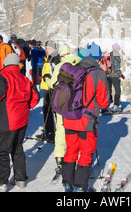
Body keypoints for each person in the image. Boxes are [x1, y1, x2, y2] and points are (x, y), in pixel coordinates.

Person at [0, 53, 40, 192]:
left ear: (6, 64)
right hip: (22, 119)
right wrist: (26, 106)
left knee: (2, 150)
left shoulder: (4, 76)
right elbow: (35, 96)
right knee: (17, 148)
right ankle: (21, 179)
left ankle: (1, 183)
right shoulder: (24, 78)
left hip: (8, 119)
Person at [61, 42, 109, 192]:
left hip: (69, 119)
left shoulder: (73, 69)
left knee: (70, 150)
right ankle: (79, 187)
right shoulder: (98, 74)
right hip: (86, 122)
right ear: (98, 58)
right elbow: (104, 102)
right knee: (86, 153)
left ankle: (67, 184)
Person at [43, 44, 81, 178]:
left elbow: (53, 83)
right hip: (78, 102)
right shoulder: (79, 63)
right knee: (77, 130)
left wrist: (46, 78)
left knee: (61, 128)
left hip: (63, 102)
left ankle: (60, 158)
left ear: (61, 55)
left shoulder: (60, 66)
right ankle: (78, 159)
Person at [40, 40, 61, 141]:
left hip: (51, 88)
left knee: (50, 110)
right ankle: (49, 131)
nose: (46, 50)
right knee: (46, 110)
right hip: (47, 87)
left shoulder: (54, 58)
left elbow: (56, 73)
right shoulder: (51, 57)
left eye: (47, 48)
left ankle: (51, 133)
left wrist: (49, 79)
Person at [106, 43, 125, 112]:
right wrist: (121, 74)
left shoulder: (109, 54)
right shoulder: (116, 55)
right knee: (117, 91)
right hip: (114, 76)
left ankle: (108, 105)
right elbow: (116, 67)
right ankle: (116, 106)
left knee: (108, 90)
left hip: (107, 75)